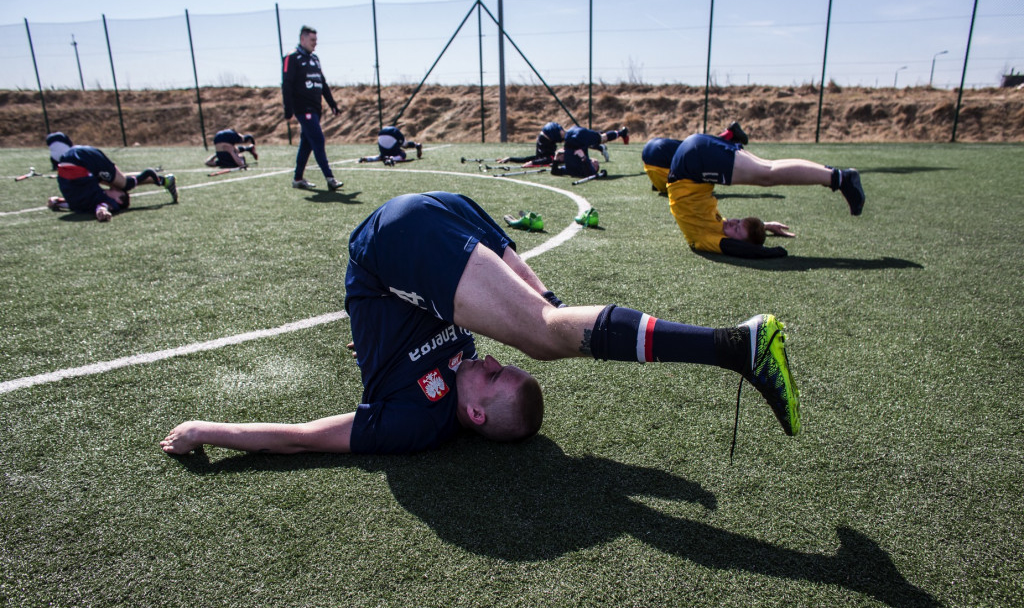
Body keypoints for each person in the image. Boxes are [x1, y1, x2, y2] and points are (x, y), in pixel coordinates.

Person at [161, 191, 800, 457]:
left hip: (396, 247)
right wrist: (540, 294)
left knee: (547, 338)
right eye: (499, 364)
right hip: (447, 221)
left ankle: (736, 347)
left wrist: (207, 430)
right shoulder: (461, 373)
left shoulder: (416, 423)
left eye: (494, 374)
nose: (488, 359)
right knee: (546, 317)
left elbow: (305, 436)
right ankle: (735, 346)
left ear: (471, 415)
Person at [665, 132, 865, 259]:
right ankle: (834, 175)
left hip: (692, 165)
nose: (733, 222)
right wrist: (765, 226)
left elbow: (741, 249)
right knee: (767, 168)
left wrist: (774, 252)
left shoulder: (704, 239)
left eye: (736, 228)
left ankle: (838, 178)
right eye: (738, 223)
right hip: (693, 157)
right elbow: (739, 239)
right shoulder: (716, 226)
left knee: (767, 174)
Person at [45, 145, 177, 222]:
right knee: (124, 184)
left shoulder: (86, 203)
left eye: (115, 190)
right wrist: (102, 210)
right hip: (81, 162)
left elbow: (69, 203)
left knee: (121, 183)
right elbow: (103, 206)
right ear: (118, 202)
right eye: (115, 190)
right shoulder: (103, 199)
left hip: (74, 164)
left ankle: (162, 180)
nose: (111, 187)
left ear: (119, 200)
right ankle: (160, 180)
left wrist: (56, 201)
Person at [282, 25, 342, 191]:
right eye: (312, 40)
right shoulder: (292, 57)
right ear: (302, 39)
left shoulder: (315, 59)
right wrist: (288, 110)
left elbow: (323, 83)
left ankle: (298, 179)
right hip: (303, 108)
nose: (315, 43)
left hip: (316, 108)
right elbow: (286, 84)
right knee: (318, 139)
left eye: (316, 40)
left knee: (307, 143)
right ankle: (330, 178)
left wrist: (333, 105)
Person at [643, 122, 748, 195]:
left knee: (699, 152)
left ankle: (729, 136)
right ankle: (729, 137)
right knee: (700, 152)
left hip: (653, 156)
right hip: (654, 152)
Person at [553, 125, 630, 178]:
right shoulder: (583, 162)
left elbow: (554, 172)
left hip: (573, 138)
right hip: (576, 139)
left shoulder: (573, 170)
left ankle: (622, 133)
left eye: (596, 164)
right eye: (597, 163)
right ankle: (621, 133)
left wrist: (556, 158)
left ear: (593, 167)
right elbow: (589, 172)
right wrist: (583, 157)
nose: (596, 161)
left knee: (602, 138)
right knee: (600, 138)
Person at [495, 122, 565, 167]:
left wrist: (532, 163)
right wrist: (511, 159)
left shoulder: (553, 157)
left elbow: (547, 159)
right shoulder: (550, 155)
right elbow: (539, 158)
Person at [357, 126, 423, 165]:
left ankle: (368, 159)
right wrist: (415, 145)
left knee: (383, 155)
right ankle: (392, 159)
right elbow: (405, 145)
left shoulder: (392, 131)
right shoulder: (398, 134)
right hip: (390, 135)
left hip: (381, 136)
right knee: (402, 154)